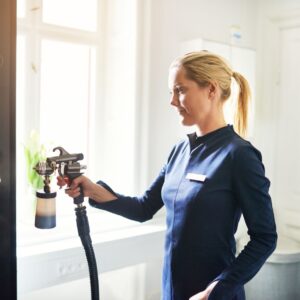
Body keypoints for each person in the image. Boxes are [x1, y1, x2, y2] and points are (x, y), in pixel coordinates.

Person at [58, 51, 277, 300]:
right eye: (171, 92)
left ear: (211, 90)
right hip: (172, 291)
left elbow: (265, 238)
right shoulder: (180, 150)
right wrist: (92, 189)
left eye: (180, 90)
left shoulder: (239, 156)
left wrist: (216, 289)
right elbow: (144, 208)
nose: (172, 101)